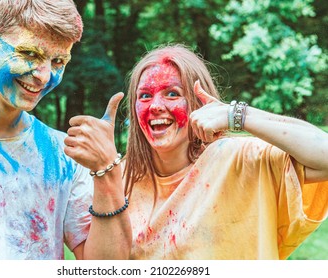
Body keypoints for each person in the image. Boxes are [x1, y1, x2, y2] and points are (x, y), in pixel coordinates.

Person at [67, 44, 328, 260]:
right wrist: (104, 171)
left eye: (172, 93)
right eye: (145, 96)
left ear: (197, 103)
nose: (156, 105)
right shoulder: (120, 179)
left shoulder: (240, 160)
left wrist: (236, 115)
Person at [0, 0, 130, 260]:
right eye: (30, 53)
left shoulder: (65, 157)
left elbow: (104, 271)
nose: (44, 75)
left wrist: (106, 170)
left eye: (59, 61)